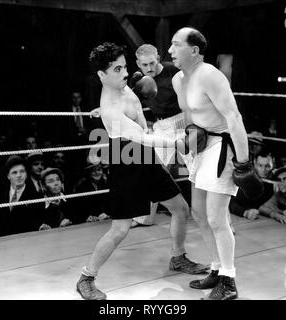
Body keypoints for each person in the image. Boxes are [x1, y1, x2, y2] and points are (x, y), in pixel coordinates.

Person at [76, 42, 208, 300]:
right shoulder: (112, 108)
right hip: (126, 158)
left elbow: (135, 116)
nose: (125, 73)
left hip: (144, 155)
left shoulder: (122, 85)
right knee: (120, 229)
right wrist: (179, 144)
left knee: (180, 209)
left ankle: (178, 257)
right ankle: (86, 277)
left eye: (125, 66)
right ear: (102, 75)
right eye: (117, 69)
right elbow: (143, 138)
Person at [168, 27, 259, 300]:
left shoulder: (211, 76)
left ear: (194, 50)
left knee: (217, 218)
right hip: (201, 146)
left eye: (175, 45)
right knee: (198, 213)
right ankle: (217, 269)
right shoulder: (177, 80)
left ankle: (229, 282)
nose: (170, 51)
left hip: (223, 146)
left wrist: (243, 161)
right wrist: (185, 144)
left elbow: (234, 117)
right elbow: (189, 116)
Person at [131, 44, 186, 227]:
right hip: (161, 125)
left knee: (200, 169)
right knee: (153, 169)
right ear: (138, 63)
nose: (149, 68)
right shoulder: (138, 79)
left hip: (185, 121)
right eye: (144, 64)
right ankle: (145, 217)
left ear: (159, 58)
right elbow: (128, 100)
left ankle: (222, 221)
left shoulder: (173, 70)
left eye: (152, 63)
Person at [229, 151, 275, 220]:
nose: (263, 170)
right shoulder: (246, 178)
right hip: (241, 220)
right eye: (260, 165)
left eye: (267, 166)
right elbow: (230, 203)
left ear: (273, 165)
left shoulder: (277, 179)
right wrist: (245, 212)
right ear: (254, 163)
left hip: (265, 219)